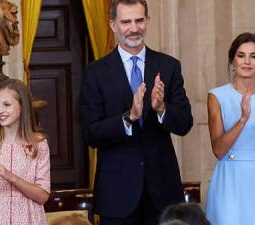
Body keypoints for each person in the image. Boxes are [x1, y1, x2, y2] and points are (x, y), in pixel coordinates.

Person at [80, 0, 193, 224]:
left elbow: (184, 123)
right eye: (126, 21)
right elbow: (90, 134)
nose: (134, 28)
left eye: (139, 20)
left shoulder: (169, 66)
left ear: (148, 21)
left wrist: (161, 109)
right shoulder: (95, 73)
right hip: (117, 194)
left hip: (163, 194)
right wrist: (128, 117)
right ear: (113, 25)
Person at [205, 32, 255, 225]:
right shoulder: (217, 96)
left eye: (254, 56)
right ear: (232, 60)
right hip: (228, 177)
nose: (247, 61)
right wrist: (242, 119)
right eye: (241, 55)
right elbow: (218, 150)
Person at [0, 79, 51, 225]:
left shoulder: (39, 144)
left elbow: (42, 197)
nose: (0, 111)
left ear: (23, 106)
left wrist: (10, 176)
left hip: (29, 219)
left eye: (7, 105)